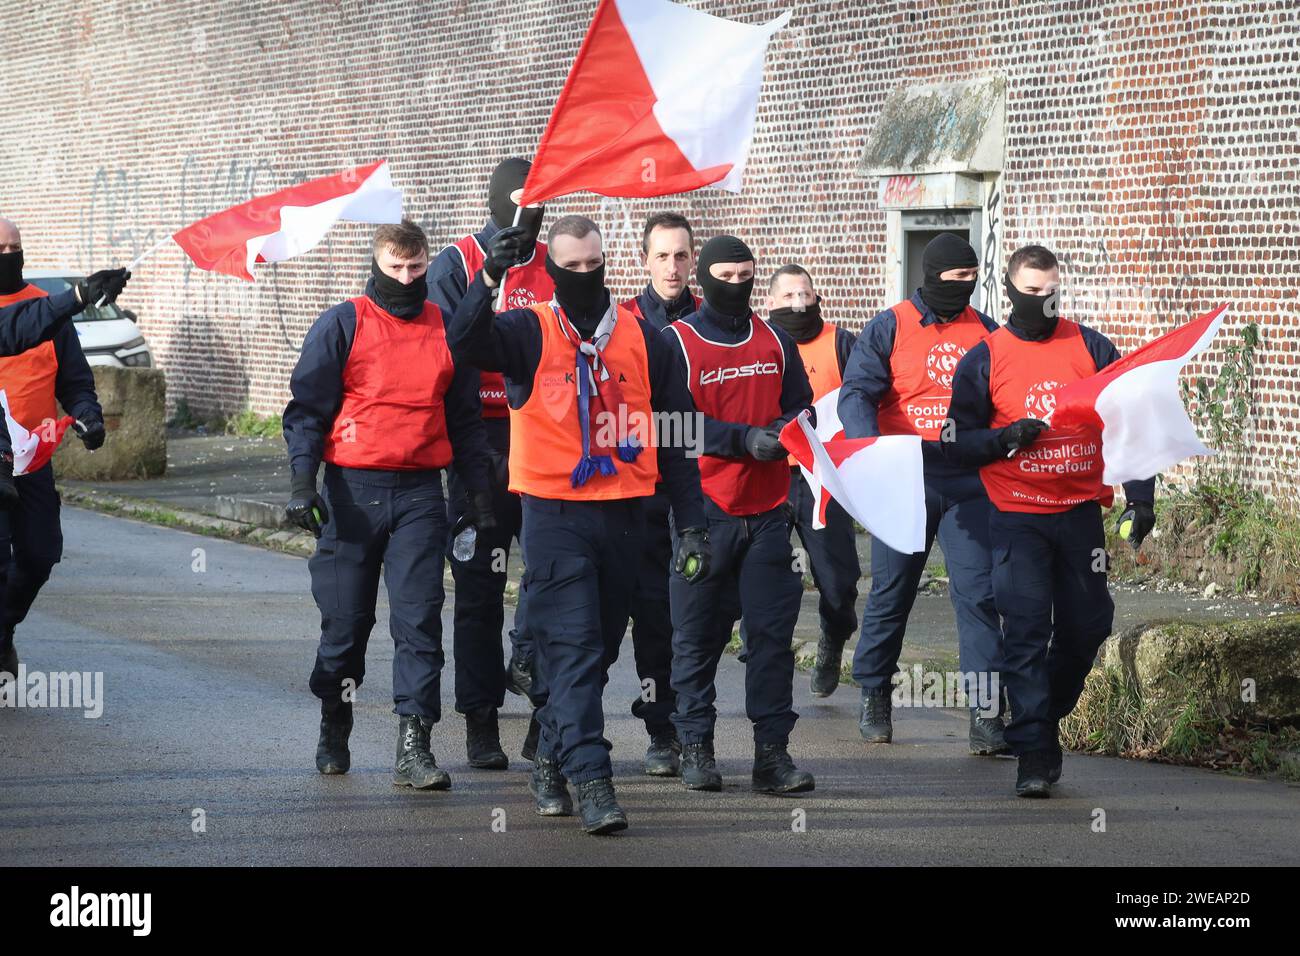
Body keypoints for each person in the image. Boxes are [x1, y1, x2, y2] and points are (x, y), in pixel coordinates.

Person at [449, 214, 708, 835]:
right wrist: (489, 274)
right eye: (572, 268)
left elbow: (679, 434)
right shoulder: (529, 330)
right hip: (554, 514)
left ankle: (548, 751)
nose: (585, 276)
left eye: (595, 266)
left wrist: (693, 522)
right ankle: (593, 781)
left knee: (597, 654)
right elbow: (462, 341)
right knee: (574, 646)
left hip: (627, 513)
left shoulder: (645, 338)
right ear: (554, 269)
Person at [283, 220, 491, 790]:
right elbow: (306, 410)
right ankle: (335, 715)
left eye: (416, 268)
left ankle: (414, 743)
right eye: (396, 268)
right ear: (376, 266)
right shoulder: (342, 324)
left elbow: (466, 423)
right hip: (352, 491)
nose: (406, 278)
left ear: (427, 265)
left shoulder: (447, 330)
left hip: (422, 494)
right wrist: (303, 482)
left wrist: (478, 497)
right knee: (345, 625)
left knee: (419, 619)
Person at [947, 244, 1156, 797]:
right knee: (1026, 628)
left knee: (1088, 623)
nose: (1041, 302)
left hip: (1079, 512)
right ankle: (1035, 754)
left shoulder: (1090, 345)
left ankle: (1038, 713)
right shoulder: (985, 357)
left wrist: (1140, 495)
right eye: (1030, 292)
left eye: (1051, 292)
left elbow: (1128, 420)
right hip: (1016, 516)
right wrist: (1004, 438)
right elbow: (957, 443)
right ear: (1009, 289)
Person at [838, 233, 1006, 754]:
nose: (964, 287)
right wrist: (870, 449)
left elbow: (1006, 395)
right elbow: (857, 392)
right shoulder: (889, 326)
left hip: (968, 481)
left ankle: (986, 713)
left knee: (979, 595)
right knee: (893, 592)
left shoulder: (988, 331)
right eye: (954, 279)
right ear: (930, 276)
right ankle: (874, 696)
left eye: (971, 279)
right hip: (905, 477)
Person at [663, 235, 816, 795]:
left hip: (771, 512)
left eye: (746, 275)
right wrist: (740, 440)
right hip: (702, 514)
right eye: (725, 276)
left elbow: (803, 406)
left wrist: (784, 431)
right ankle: (696, 747)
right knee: (696, 638)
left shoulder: (777, 340)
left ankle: (771, 756)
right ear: (703, 279)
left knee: (771, 640)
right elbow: (664, 427)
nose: (737, 285)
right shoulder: (675, 342)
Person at [426, 157, 554, 768]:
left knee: (556, 579)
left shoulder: (559, 261)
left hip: (548, 440)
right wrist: (490, 278)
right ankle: (480, 721)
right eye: (526, 205)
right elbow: (448, 342)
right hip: (481, 445)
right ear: (501, 203)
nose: (532, 219)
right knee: (479, 586)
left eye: (542, 206)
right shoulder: (457, 261)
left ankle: (545, 713)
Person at [0, 217, 126, 682]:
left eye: (16, 246)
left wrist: (88, 415)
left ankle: (5, 629)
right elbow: (13, 329)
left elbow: (74, 380)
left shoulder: (45, 311)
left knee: (39, 554)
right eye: (0, 247)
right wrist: (77, 296)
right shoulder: (40, 313)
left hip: (32, 459)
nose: (9, 255)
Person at [616, 211, 701, 776]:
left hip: (702, 486)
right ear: (644, 260)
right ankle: (662, 729)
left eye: (681, 256)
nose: (673, 266)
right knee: (650, 619)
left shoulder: (712, 318)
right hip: (639, 491)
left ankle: (681, 713)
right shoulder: (619, 324)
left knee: (697, 619)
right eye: (662, 256)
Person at [765, 263, 859, 697]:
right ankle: (765, 657)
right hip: (768, 474)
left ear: (817, 297)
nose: (797, 304)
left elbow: (864, 400)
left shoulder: (841, 344)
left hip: (824, 477)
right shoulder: (759, 343)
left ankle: (833, 636)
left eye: (804, 294)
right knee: (761, 572)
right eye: (787, 297)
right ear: (769, 303)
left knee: (838, 584)